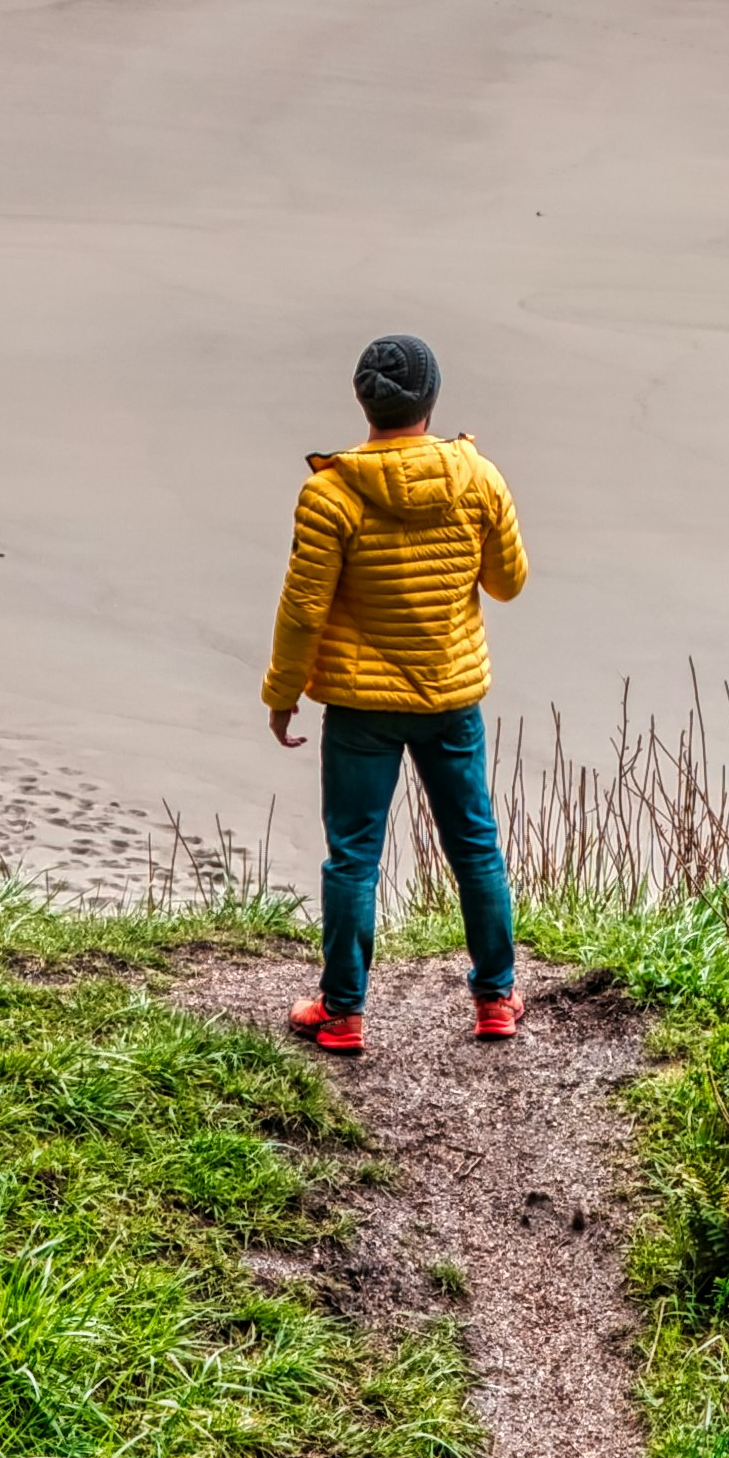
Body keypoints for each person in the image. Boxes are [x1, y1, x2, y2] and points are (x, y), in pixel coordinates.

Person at [262, 331, 527, 1054]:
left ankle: (343, 1011)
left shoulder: (330, 493)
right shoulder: (478, 478)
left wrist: (282, 693)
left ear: (364, 399)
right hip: (449, 696)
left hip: (359, 706)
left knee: (353, 855)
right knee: (475, 845)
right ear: (430, 398)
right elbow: (508, 581)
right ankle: (496, 997)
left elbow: (302, 609)